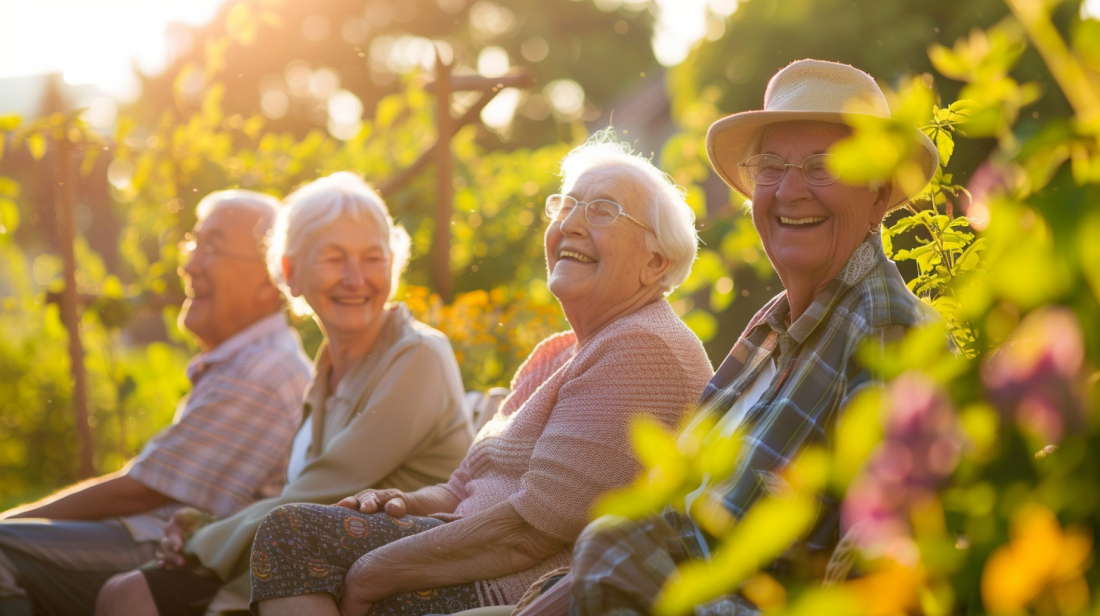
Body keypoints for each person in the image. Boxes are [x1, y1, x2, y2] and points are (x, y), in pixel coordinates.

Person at [241, 133, 714, 616]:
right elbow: (460, 487)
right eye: (566, 206)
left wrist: (373, 572)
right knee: (295, 536)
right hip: (474, 557)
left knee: (292, 537)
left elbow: (532, 533)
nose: (569, 224)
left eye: (602, 211)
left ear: (657, 261)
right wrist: (402, 502)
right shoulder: (558, 353)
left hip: (514, 585)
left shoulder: (645, 348)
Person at [563, 59, 943, 616]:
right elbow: (674, 511)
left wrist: (616, 560)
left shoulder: (889, 334)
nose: (790, 191)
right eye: (771, 166)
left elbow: (875, 581)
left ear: (879, 195)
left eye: (823, 167)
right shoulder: (775, 322)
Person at [95, 172, 474, 616]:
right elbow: (303, 494)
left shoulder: (418, 355)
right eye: (334, 258)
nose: (356, 279)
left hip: (402, 578)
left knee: (129, 596)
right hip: (315, 564)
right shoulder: (327, 371)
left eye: (373, 258)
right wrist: (204, 526)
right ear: (291, 275)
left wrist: (204, 541)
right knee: (124, 594)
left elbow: (328, 487)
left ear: (392, 265)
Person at [0, 190, 313, 616]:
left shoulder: (264, 372)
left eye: (213, 247)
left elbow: (138, 492)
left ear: (268, 279)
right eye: (194, 243)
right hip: (158, 543)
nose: (189, 264)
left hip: (173, 557)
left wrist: (10, 523)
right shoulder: (247, 360)